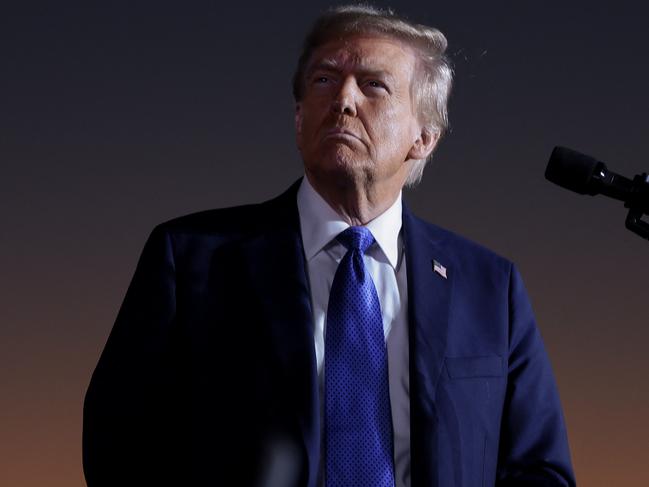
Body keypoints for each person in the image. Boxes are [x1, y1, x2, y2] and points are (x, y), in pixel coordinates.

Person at [83, 5, 576, 487]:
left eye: (373, 85)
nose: (343, 98)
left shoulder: (491, 287)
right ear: (299, 120)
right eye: (323, 80)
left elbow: (540, 467)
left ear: (423, 137)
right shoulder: (191, 259)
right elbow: (117, 445)